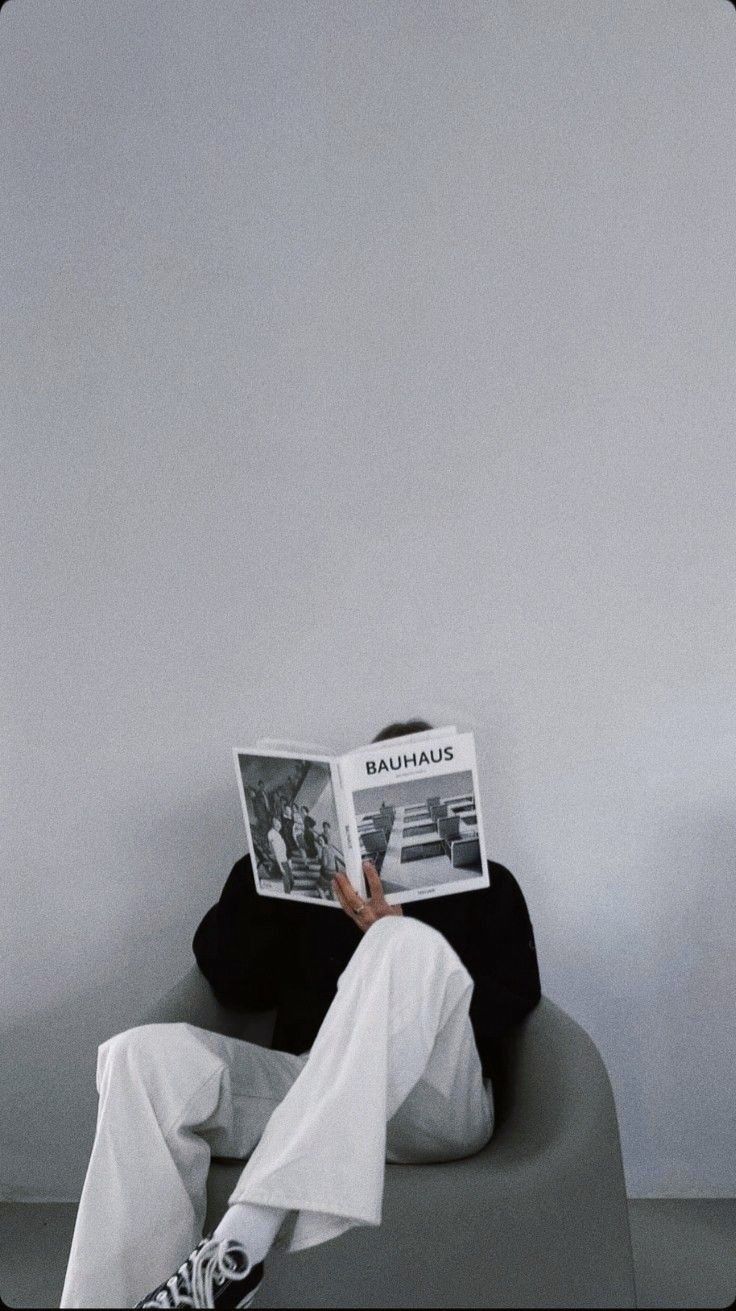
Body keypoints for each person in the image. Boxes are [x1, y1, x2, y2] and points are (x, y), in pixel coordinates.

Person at [60, 720, 542, 1309]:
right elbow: (232, 983)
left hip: (435, 1102)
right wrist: (264, 867)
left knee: (402, 945)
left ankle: (237, 1247)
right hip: (309, 1087)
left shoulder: (488, 886)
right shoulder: (317, 884)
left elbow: (515, 1001)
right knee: (138, 1056)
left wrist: (399, 948)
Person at [265, 816, 293, 895]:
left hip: (285, 860)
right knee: (287, 884)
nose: (279, 825)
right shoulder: (271, 833)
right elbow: (275, 851)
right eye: (276, 823)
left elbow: (284, 849)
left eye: (279, 823)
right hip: (280, 862)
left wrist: (288, 859)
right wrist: (280, 866)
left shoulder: (278, 833)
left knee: (291, 881)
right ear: (273, 824)